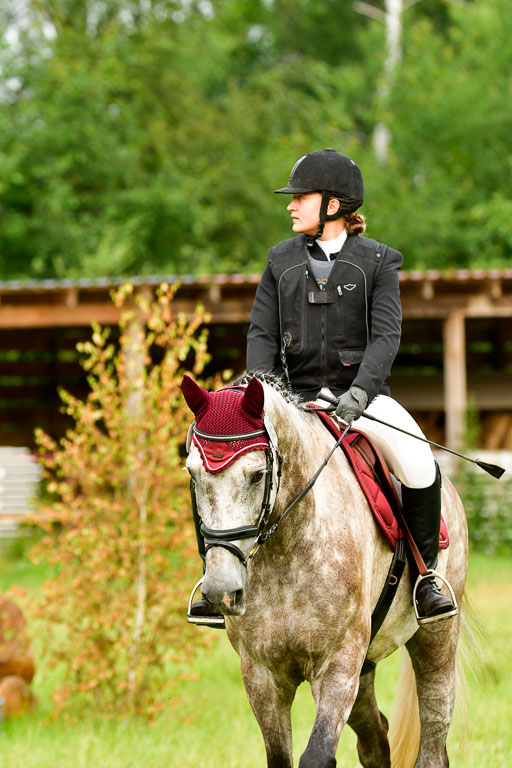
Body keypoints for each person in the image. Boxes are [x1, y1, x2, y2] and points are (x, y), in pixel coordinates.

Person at [188, 148, 457, 628]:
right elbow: (262, 335)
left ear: (333, 205)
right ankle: (212, 581)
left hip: (365, 398)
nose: (290, 205)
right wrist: (263, 394)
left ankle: (426, 579)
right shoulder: (279, 261)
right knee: (214, 459)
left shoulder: (378, 262)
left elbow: (386, 336)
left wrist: (359, 394)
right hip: (290, 401)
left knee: (419, 465)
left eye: (301, 198)